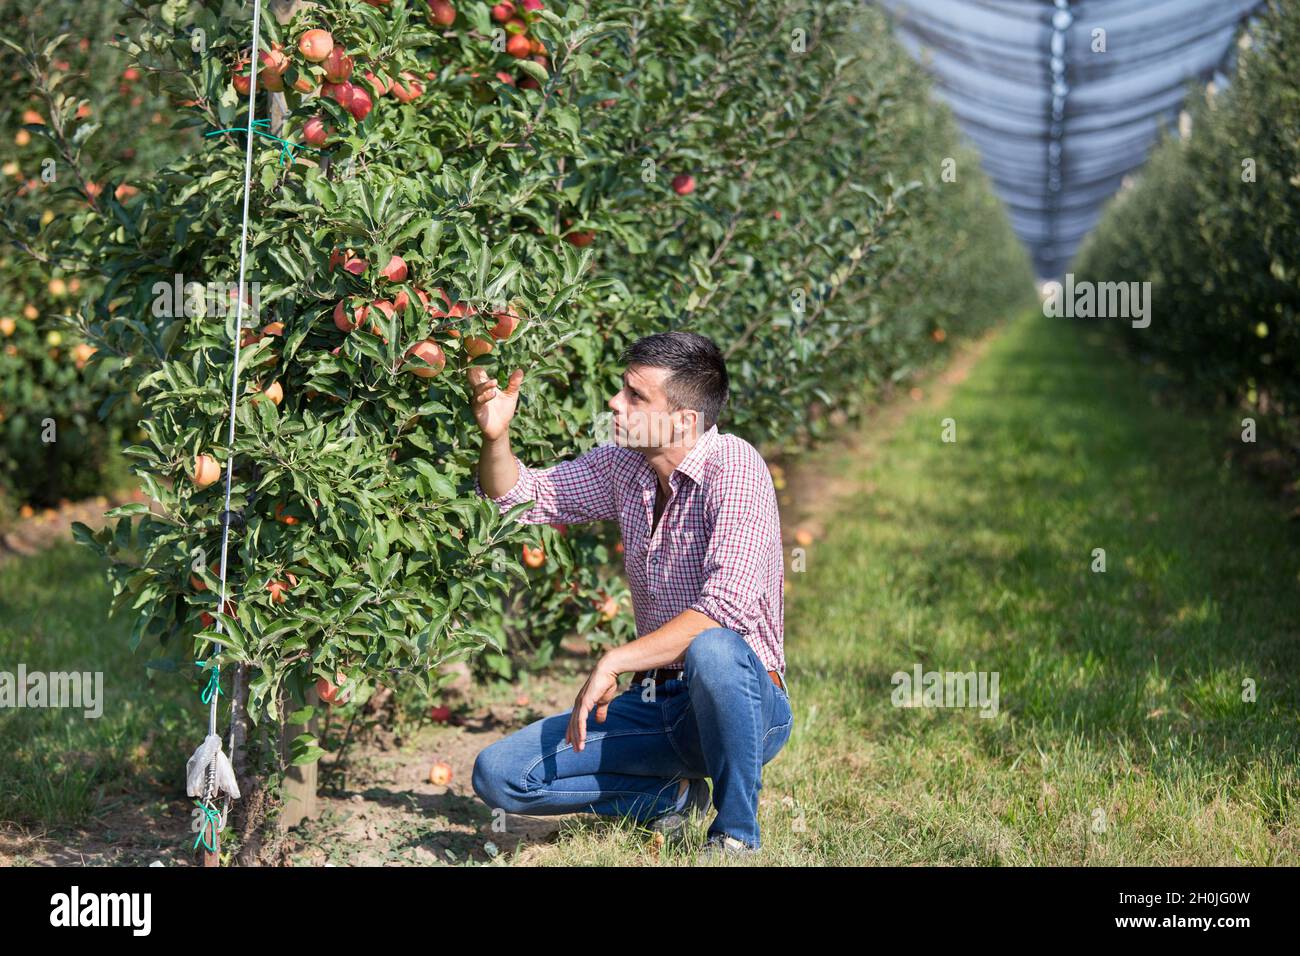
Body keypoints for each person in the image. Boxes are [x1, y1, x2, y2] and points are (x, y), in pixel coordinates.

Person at [467, 330, 791, 858]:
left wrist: (615, 658)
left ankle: (735, 834)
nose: (615, 403)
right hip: (656, 704)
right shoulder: (626, 467)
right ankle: (673, 797)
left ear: (684, 420)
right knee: (500, 776)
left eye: (636, 396)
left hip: (745, 704)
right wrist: (496, 438)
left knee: (712, 648)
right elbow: (521, 497)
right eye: (621, 389)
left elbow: (724, 611)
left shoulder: (735, 469)